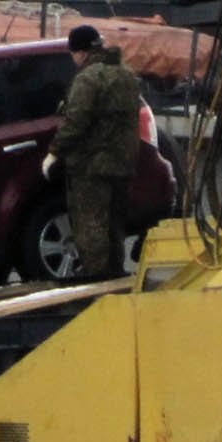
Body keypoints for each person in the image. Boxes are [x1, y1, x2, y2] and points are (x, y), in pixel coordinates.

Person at [44, 23, 141, 280]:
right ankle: (115, 274)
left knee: (91, 223)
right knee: (114, 224)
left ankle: (96, 277)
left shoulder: (88, 78)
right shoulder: (126, 74)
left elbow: (76, 121)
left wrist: (54, 152)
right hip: (123, 162)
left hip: (92, 164)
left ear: (81, 51)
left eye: (73, 53)